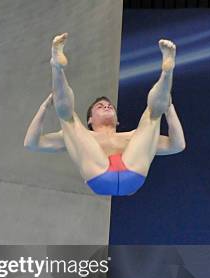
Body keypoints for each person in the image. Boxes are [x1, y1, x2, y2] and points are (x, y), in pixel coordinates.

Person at [24, 33, 185, 196]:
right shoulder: (81, 137)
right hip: (102, 175)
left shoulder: (133, 137)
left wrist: (169, 107)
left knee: (152, 116)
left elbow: (178, 145)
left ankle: (167, 72)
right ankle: (57, 67)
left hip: (130, 172)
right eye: (100, 106)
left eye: (110, 106)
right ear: (90, 119)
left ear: (117, 121)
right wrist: (44, 107)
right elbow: (31, 143)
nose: (107, 107)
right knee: (68, 120)